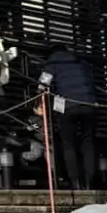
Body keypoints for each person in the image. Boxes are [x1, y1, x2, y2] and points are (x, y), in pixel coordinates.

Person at [42, 44, 99, 190]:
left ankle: (75, 183)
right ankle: (90, 182)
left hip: (67, 106)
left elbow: (42, 84)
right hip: (88, 104)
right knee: (88, 142)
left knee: (68, 144)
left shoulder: (52, 63)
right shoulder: (81, 62)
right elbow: (91, 82)